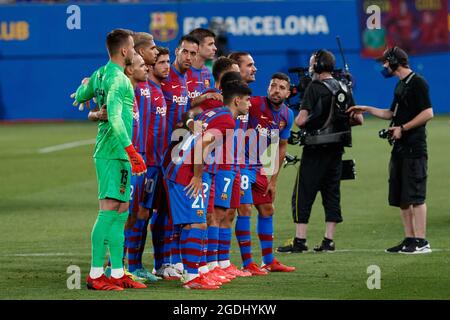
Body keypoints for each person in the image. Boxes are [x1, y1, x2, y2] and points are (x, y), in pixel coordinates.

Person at [73, 29, 147, 290]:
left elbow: (81, 95)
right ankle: (95, 275)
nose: (137, 54)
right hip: (113, 153)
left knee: (119, 213)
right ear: (125, 51)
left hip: (117, 153)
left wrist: (81, 95)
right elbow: (115, 118)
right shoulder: (119, 80)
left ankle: (117, 272)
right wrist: (131, 151)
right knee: (108, 213)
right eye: (135, 49)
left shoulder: (101, 73)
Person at [162, 80, 252, 289]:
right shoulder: (227, 121)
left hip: (178, 166)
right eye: (247, 101)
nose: (249, 105)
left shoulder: (215, 113)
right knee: (198, 223)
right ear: (237, 100)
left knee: (193, 222)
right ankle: (192, 277)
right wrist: (197, 177)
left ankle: (191, 273)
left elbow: (192, 123)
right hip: (185, 171)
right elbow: (202, 143)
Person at [348, 46, 433, 254]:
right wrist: (365, 109)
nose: (384, 66)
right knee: (402, 196)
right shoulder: (400, 85)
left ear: (395, 61)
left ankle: (422, 242)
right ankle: (409, 239)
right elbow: (389, 114)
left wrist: (402, 128)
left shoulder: (417, 82)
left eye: (385, 62)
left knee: (416, 195)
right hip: (400, 148)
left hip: (414, 147)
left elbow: (428, 113)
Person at [278, 49, 363, 254]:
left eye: (311, 63)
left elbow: (300, 121)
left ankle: (300, 240)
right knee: (331, 192)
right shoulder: (344, 86)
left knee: (303, 193)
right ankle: (328, 240)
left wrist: (304, 109)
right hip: (337, 149)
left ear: (317, 65)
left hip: (315, 148)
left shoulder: (314, 87)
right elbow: (358, 119)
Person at [236, 72, 296, 274]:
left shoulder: (287, 115)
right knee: (245, 210)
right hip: (239, 164)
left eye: (281, 87)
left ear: (288, 93)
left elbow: (282, 147)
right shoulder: (254, 104)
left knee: (267, 209)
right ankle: (247, 263)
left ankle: (268, 260)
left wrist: (274, 180)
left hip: (258, 166)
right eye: (273, 86)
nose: (276, 90)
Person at [161, 34, 199, 275]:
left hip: (176, 154)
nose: (189, 57)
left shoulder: (188, 79)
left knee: (169, 210)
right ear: (177, 51)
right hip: (159, 153)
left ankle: (171, 260)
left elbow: (184, 114)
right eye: (186, 52)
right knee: (145, 212)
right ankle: (161, 262)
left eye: (193, 54)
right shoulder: (164, 76)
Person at [187, 28, 217, 99]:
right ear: (197, 47)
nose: (215, 48)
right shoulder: (180, 72)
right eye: (210, 44)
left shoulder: (209, 75)